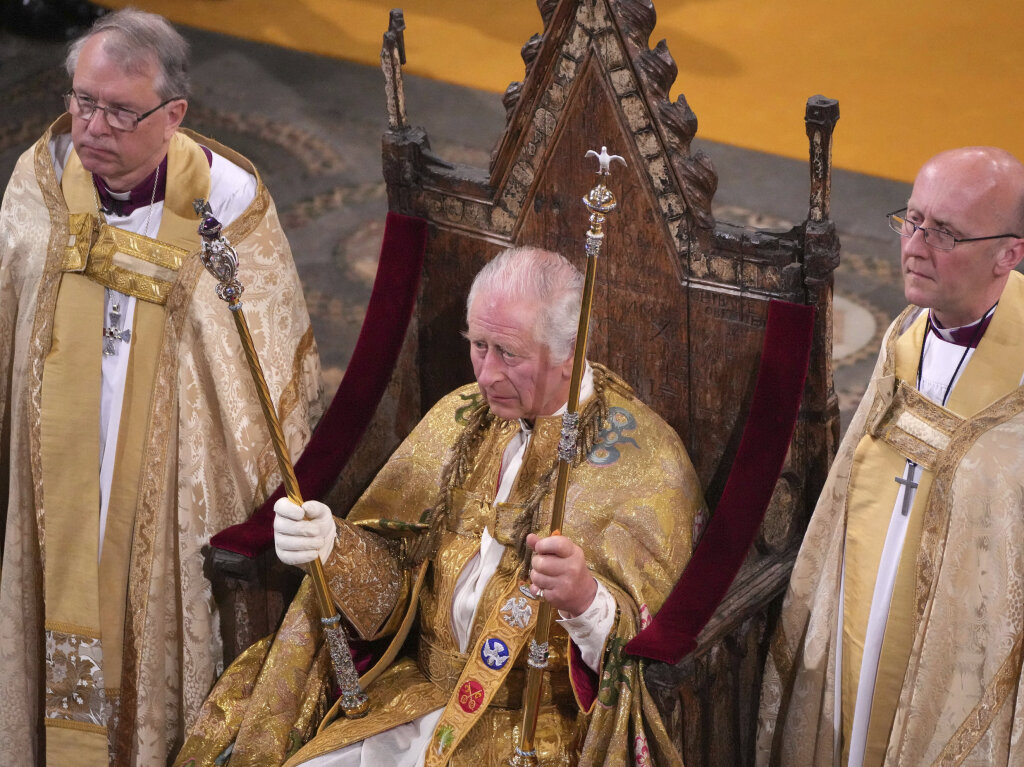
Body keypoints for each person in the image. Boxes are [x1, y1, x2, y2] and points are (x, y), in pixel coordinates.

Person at [176, 246, 706, 766]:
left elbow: (651, 659)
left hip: (531, 729)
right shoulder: (459, 417)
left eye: (509, 354)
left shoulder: (647, 462)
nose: (486, 375)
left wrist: (585, 600)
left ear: (572, 349)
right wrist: (334, 549)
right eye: (478, 345)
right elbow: (399, 592)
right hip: (409, 699)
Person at [0, 9, 324, 766]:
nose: (92, 127)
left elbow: (260, 371)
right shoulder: (38, 184)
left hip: (161, 477)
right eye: (83, 100)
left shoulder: (227, 207)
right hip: (56, 476)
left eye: (119, 110)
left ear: (173, 115)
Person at [756, 146, 1024, 766]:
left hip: (960, 663)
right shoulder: (905, 333)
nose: (915, 246)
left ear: (1008, 254)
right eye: (913, 220)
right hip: (861, 628)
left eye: (946, 233)